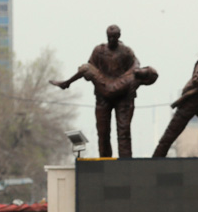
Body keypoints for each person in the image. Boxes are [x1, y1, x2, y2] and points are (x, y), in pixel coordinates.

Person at [52, 24, 139, 158]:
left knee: (124, 132)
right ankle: (105, 162)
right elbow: (90, 68)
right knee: (103, 133)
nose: (111, 40)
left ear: (119, 36)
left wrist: (128, 83)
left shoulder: (126, 52)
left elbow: (135, 68)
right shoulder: (99, 51)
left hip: (122, 96)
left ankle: (125, 164)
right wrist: (89, 78)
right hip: (103, 96)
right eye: (109, 37)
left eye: (114, 37)